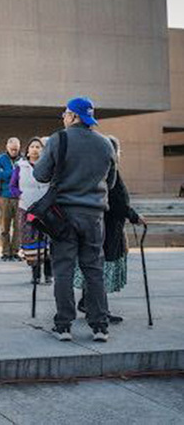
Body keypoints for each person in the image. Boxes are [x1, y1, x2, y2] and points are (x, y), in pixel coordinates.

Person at [34, 97, 116, 343]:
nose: (63, 117)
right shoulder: (106, 144)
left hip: (64, 216)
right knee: (94, 270)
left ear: (74, 116)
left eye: (65, 113)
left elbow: (40, 175)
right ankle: (100, 325)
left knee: (63, 270)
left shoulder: (60, 138)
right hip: (94, 217)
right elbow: (110, 182)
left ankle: (64, 325)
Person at [74, 136, 143, 325]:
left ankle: (87, 303)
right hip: (108, 227)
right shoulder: (109, 171)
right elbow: (117, 202)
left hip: (102, 225)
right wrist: (134, 216)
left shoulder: (97, 170)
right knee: (100, 269)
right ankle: (98, 310)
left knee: (95, 266)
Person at [10, 137, 52, 284]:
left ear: (43, 150)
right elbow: (13, 186)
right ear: (27, 150)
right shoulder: (20, 166)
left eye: (38, 147)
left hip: (46, 209)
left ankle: (48, 273)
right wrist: (21, 195)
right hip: (27, 208)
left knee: (47, 240)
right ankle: (35, 274)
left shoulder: (48, 166)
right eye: (32, 146)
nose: (35, 149)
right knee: (32, 241)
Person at [0, 137, 22, 261]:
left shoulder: (23, 159)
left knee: (18, 226)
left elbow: (24, 176)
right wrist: (14, 172)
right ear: (7, 147)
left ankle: (15, 251)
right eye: (12, 149)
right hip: (4, 196)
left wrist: (8, 173)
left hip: (19, 197)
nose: (14, 151)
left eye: (16, 149)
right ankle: (5, 252)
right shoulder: (0, 159)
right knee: (4, 226)